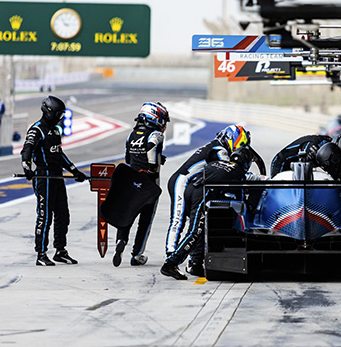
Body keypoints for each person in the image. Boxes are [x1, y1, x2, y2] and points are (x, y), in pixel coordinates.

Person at [160, 147, 264, 280]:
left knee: (201, 229)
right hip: (203, 193)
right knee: (195, 231)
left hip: (190, 190)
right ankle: (170, 263)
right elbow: (244, 191)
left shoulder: (215, 163)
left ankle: (196, 264)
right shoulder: (238, 172)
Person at [20, 96, 87, 266]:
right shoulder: (36, 130)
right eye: (58, 113)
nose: (60, 117)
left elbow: (59, 154)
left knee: (63, 215)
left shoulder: (56, 130)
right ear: (49, 112)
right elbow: (26, 150)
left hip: (57, 177)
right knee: (45, 216)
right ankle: (41, 253)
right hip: (44, 177)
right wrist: (26, 167)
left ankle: (60, 251)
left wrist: (75, 171)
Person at [112, 102, 170, 267]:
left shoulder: (132, 135)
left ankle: (120, 240)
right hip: (149, 183)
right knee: (145, 221)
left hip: (131, 179)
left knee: (128, 214)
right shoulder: (156, 134)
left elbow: (129, 159)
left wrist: (160, 157)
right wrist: (152, 165)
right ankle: (137, 254)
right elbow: (150, 148)